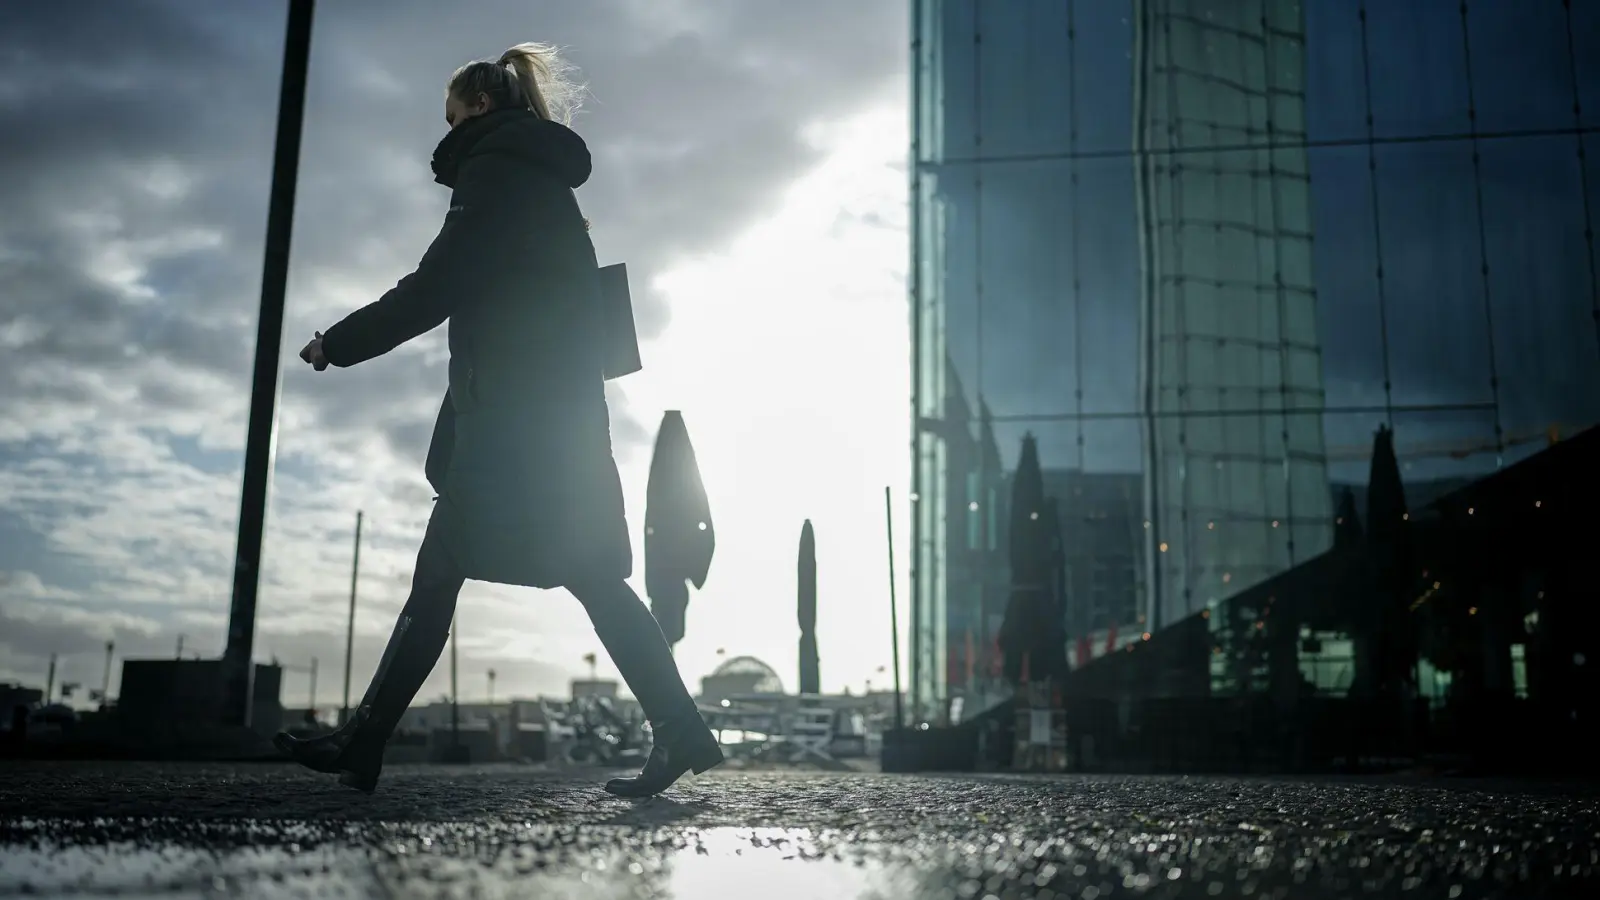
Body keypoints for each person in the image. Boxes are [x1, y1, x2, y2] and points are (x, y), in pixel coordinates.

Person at [274, 43, 722, 798]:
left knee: (447, 565)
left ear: (478, 108)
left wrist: (338, 342)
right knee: (592, 576)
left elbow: (436, 284)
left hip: (515, 423)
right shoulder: (544, 179)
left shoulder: (496, 169)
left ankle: (364, 741)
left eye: (449, 115)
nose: (444, 131)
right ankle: (680, 731)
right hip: (562, 417)